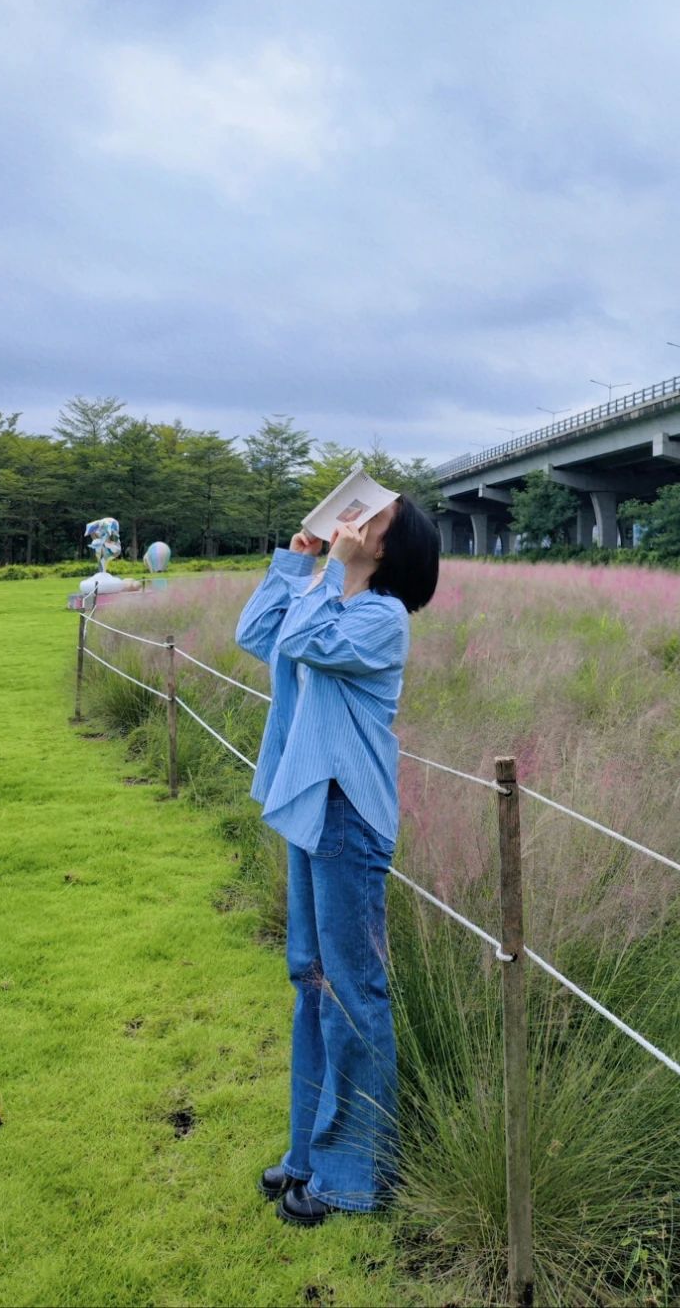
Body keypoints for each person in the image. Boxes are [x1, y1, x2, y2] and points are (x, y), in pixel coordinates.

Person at [235, 495, 440, 1225]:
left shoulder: (381, 619)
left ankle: (353, 1176)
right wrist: (298, 558)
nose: (355, 525)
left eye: (371, 523)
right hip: (310, 803)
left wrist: (326, 573)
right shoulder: (329, 598)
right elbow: (258, 630)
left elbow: (308, 637)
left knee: (353, 990)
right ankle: (307, 1155)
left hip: (347, 811)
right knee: (311, 979)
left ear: (387, 549)